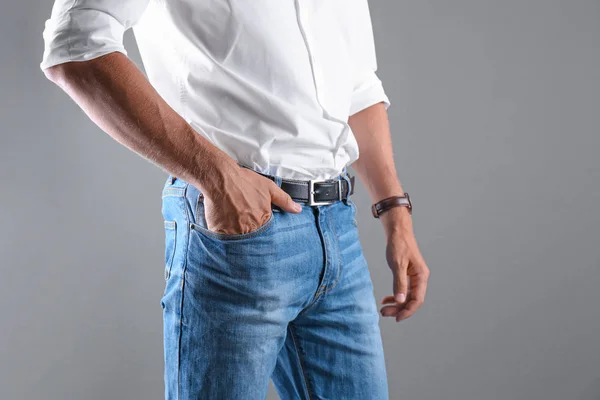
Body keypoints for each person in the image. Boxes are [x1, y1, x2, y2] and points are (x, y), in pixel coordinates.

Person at [40, 0, 430, 398]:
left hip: (337, 232)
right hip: (238, 236)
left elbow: (358, 86)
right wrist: (218, 177)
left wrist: (394, 209)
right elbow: (75, 45)